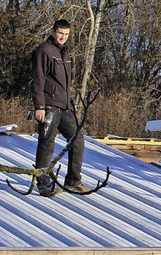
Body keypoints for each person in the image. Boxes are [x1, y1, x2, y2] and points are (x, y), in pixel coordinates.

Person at [31, 19, 89, 196]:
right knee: (47, 143)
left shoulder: (64, 52)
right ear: (53, 31)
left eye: (66, 34)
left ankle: (72, 181)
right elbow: (38, 80)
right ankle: (44, 184)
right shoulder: (44, 50)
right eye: (60, 33)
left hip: (64, 106)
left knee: (77, 141)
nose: (63, 37)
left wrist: (69, 102)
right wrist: (39, 106)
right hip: (48, 105)